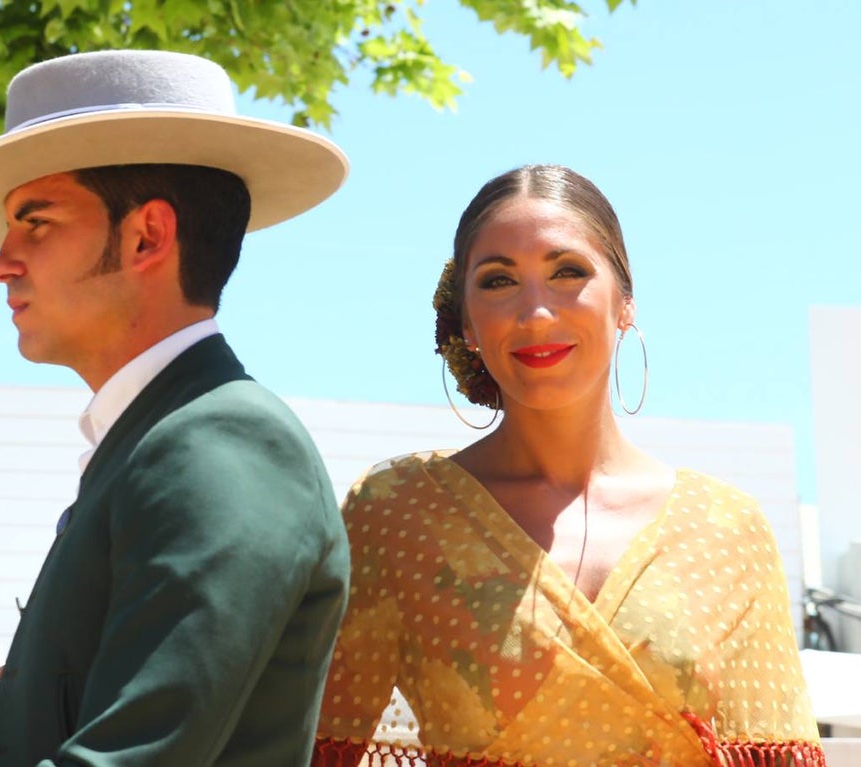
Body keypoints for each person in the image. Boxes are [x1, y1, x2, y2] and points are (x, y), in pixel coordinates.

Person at [0, 50, 352, 767]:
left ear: (148, 235)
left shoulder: (222, 443)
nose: (1, 261)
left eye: (37, 221)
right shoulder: (169, 437)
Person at [312, 164, 825, 766]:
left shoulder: (726, 530)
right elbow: (319, 748)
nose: (535, 313)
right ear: (467, 323)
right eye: (499, 281)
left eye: (568, 272)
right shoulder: (398, 512)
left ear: (625, 302)